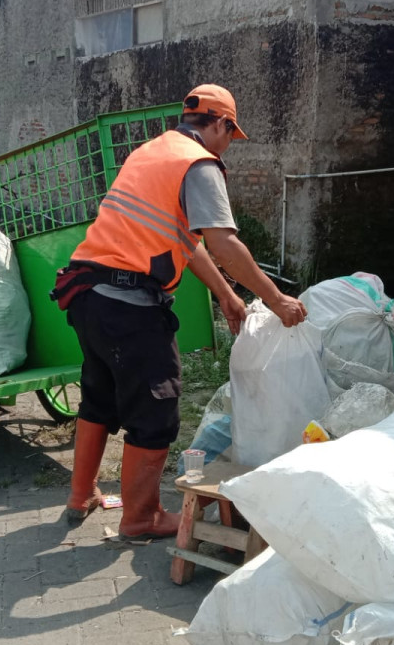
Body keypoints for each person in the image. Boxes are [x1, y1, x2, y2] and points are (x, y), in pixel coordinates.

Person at [51, 84, 307, 540]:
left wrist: (227, 297)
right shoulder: (199, 165)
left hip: (89, 295)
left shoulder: (153, 152)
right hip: (129, 306)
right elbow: (224, 244)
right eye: (231, 134)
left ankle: (81, 494)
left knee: (100, 396)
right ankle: (141, 517)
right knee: (156, 409)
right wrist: (276, 299)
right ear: (221, 124)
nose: (229, 144)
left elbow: (188, 246)